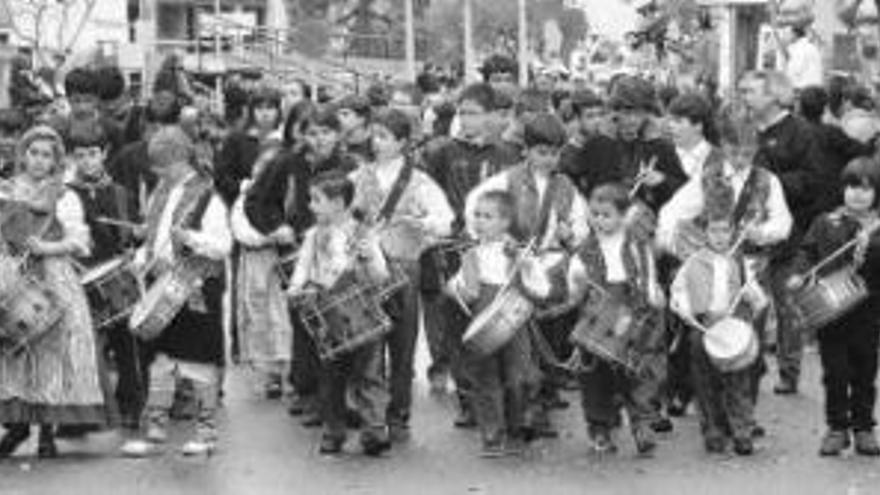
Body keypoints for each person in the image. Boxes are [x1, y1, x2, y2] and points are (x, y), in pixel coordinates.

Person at [120, 126, 232, 457]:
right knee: (160, 360)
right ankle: (155, 432)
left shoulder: (208, 197)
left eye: (162, 166)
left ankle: (206, 434)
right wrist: (141, 259)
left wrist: (193, 239)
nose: (157, 172)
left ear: (181, 160)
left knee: (199, 361)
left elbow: (223, 245)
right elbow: (153, 238)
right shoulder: (160, 193)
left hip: (197, 287)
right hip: (163, 285)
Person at [0, 125, 106, 458]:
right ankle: (16, 427)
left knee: (54, 353)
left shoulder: (65, 195)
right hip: (13, 277)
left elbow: (80, 241)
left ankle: (47, 431)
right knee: (14, 351)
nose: (39, 161)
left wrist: (47, 246)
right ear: (23, 154)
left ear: (56, 160)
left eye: (47, 155)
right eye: (33, 152)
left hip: (54, 278)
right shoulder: (6, 190)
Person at [349, 108, 454, 442]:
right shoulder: (358, 176)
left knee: (403, 344)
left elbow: (445, 220)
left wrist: (422, 224)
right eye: (374, 135)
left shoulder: (419, 181)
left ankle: (399, 413)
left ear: (403, 142)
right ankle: (373, 416)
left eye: (384, 136)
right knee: (368, 344)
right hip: (365, 269)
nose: (376, 142)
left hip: (405, 267)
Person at [287, 171, 392, 456]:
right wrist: (296, 288)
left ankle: (374, 430)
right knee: (331, 376)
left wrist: (369, 255)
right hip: (328, 315)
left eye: (316, 200)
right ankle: (334, 430)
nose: (310, 205)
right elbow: (303, 267)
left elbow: (381, 276)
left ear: (337, 203)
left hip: (362, 312)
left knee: (370, 374)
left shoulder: (363, 234)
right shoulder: (313, 236)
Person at [738, 70, 826, 395]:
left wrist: (771, 183)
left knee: (787, 304)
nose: (744, 96)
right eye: (742, 91)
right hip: (748, 235)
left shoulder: (801, 131)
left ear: (774, 95)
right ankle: (748, 369)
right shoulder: (745, 130)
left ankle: (789, 372)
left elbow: (815, 181)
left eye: (750, 91)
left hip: (791, 235)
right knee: (750, 305)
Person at [787, 157, 880, 457]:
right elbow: (807, 251)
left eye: (866, 189)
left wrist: (870, 242)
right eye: (852, 186)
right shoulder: (825, 222)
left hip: (868, 312)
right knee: (835, 373)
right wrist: (798, 274)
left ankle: (864, 428)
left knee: (865, 372)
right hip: (831, 313)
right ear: (842, 189)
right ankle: (837, 428)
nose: (858, 194)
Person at [565, 183, 666, 455]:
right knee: (594, 374)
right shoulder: (585, 249)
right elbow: (575, 285)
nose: (599, 220)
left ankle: (641, 424)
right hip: (596, 313)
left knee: (633, 372)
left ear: (623, 215)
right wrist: (576, 282)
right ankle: (599, 427)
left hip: (631, 309)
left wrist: (651, 295)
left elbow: (648, 275)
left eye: (606, 215)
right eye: (594, 214)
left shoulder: (637, 244)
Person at [447, 190, 540, 457]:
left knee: (518, 376)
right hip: (482, 321)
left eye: (487, 216)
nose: (479, 221)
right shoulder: (470, 255)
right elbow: (465, 290)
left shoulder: (518, 253)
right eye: (476, 215)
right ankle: (491, 433)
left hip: (514, 322)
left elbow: (539, 287)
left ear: (505, 221)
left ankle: (516, 427)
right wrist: (455, 288)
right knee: (485, 378)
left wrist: (529, 266)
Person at [65, 120, 142, 435]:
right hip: (78, 275)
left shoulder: (121, 193)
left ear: (104, 153)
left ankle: (131, 404)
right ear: (71, 157)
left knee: (127, 343)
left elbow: (133, 233)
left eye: (93, 154)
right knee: (82, 347)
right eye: (80, 155)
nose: (87, 161)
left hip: (115, 275)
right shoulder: (67, 194)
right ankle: (80, 416)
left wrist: (135, 241)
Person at [670, 212, 765, 456]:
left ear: (733, 232)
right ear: (705, 233)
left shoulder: (739, 262)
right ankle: (713, 430)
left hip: (732, 326)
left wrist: (753, 298)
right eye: (714, 230)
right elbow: (678, 292)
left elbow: (757, 298)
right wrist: (684, 310)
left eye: (725, 230)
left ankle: (741, 430)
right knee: (706, 384)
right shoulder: (693, 262)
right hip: (704, 328)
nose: (720, 236)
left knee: (738, 382)